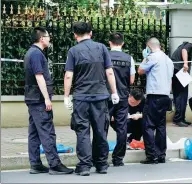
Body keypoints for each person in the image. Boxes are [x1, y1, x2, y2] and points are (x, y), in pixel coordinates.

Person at [63, 22, 119, 176]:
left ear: (75, 35)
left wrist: (66, 96)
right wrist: (114, 92)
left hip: (81, 97)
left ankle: (84, 166)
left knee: (82, 131)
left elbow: (69, 75)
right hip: (100, 96)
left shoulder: (73, 51)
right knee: (101, 130)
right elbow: (109, 72)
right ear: (91, 33)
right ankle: (101, 165)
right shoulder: (101, 48)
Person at [24, 27, 74, 175]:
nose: (49, 39)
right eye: (48, 37)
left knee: (34, 133)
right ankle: (54, 164)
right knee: (47, 132)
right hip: (39, 99)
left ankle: (35, 164)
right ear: (41, 39)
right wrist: (46, 98)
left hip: (32, 98)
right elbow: (39, 77)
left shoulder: (30, 53)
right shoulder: (36, 54)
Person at [138, 37, 174, 164]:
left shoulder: (152, 57)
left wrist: (145, 57)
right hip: (165, 96)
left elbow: (140, 70)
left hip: (154, 95)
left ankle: (151, 156)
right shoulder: (168, 60)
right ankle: (161, 155)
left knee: (148, 126)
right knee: (161, 127)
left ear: (149, 47)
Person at [107, 32, 136, 167]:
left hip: (106, 96)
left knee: (102, 127)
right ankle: (118, 158)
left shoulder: (104, 56)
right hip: (123, 96)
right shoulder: (129, 58)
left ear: (109, 43)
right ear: (123, 43)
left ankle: (100, 157)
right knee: (122, 128)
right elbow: (131, 79)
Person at [171, 42, 192, 127]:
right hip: (179, 71)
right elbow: (184, 50)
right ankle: (178, 119)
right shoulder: (188, 45)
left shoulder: (181, 46)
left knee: (181, 95)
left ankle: (180, 118)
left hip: (177, 71)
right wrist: (186, 63)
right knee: (181, 96)